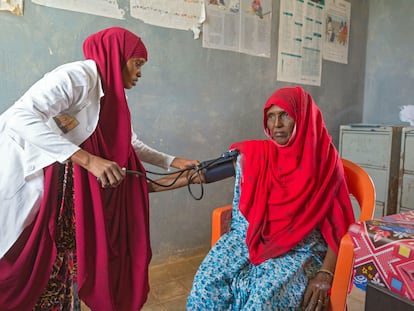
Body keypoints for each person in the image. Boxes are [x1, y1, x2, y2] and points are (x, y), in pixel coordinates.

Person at [0, 27, 199, 311]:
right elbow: (20, 116)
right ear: (117, 56)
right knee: (30, 262)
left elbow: (129, 143)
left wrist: (171, 161)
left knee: (63, 259)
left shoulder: (113, 95)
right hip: (27, 173)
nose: (140, 72)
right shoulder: (77, 77)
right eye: (137, 63)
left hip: (65, 193)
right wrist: (90, 160)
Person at [187, 86, 355, 310]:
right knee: (206, 283)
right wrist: (145, 185)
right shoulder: (260, 155)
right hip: (251, 239)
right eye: (271, 116)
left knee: (262, 299)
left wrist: (326, 273)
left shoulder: (325, 164)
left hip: (301, 249)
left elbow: (339, 228)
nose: (276, 124)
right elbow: (203, 175)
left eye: (285, 115)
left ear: (302, 118)